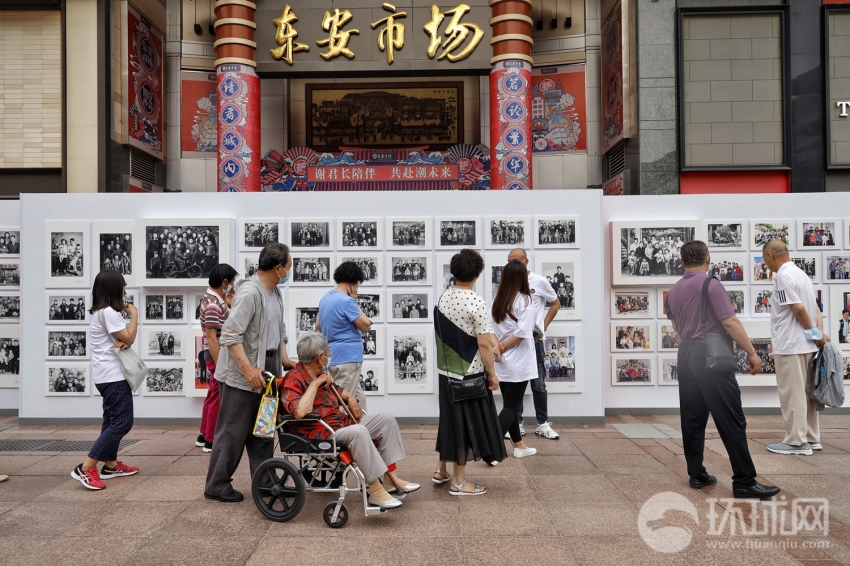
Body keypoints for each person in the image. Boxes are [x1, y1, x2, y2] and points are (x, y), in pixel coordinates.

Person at [665, 241, 779, 499]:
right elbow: (729, 321)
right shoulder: (710, 284)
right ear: (708, 259)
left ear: (682, 262)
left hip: (686, 355)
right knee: (731, 417)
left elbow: (677, 329)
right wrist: (752, 352)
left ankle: (697, 474)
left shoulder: (673, 291)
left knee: (692, 417)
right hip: (711, 356)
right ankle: (744, 481)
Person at [282, 333, 419, 509]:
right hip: (321, 432)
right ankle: (375, 491)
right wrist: (315, 384)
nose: (329, 354)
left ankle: (390, 478)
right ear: (319, 357)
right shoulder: (293, 379)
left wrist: (351, 398)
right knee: (360, 432)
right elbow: (300, 411)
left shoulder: (321, 372)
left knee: (387, 420)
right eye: (326, 351)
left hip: (341, 423)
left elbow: (340, 392)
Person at [204, 243, 295, 503]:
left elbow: (279, 329)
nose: (289, 270)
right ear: (278, 268)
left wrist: (285, 359)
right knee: (232, 432)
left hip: (268, 374)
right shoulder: (250, 293)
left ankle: (264, 482)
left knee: (263, 431)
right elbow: (230, 335)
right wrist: (248, 369)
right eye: (288, 266)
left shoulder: (274, 292)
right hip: (241, 376)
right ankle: (217, 484)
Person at [433, 249, 506, 496]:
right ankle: (459, 482)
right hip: (470, 375)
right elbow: (485, 344)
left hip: (447, 373)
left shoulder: (443, 298)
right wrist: (492, 374)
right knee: (465, 425)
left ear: (454, 272)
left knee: (449, 420)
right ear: (477, 274)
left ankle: (441, 469)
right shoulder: (476, 301)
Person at [71, 270, 140, 490]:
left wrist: (124, 341)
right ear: (114, 288)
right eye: (122, 285)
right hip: (113, 377)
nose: (124, 290)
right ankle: (86, 467)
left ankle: (110, 465)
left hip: (104, 376)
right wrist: (135, 314)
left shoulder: (99, 312)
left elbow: (120, 340)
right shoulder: (109, 312)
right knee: (122, 422)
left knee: (111, 421)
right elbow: (128, 336)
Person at [761, 240, 829, 456]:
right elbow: (815, 309)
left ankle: (796, 441)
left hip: (790, 344)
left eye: (765, 260)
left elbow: (798, 309)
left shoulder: (782, 275)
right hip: (806, 345)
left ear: (770, 255)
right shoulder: (801, 274)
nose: (766, 265)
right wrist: (817, 333)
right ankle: (811, 437)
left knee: (792, 393)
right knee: (807, 392)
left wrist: (815, 333)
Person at [507, 248, 561, 440]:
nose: (512, 264)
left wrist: (543, 326)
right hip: (515, 339)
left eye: (516, 261)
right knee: (516, 381)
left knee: (538, 384)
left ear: (526, 262)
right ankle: (517, 423)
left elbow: (555, 303)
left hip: (534, 340)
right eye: (509, 260)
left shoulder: (539, 281)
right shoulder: (508, 282)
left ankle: (542, 423)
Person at [490, 260, 538, 459]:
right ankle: (491, 447)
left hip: (502, 361)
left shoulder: (498, 300)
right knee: (511, 406)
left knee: (510, 404)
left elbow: (490, 329)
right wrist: (503, 346)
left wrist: (497, 347)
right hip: (518, 359)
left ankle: (519, 446)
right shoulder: (525, 300)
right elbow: (523, 333)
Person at [316, 261, 372, 409]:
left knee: (359, 398)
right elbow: (366, 325)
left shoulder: (325, 298)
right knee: (342, 403)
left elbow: (318, 326)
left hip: (333, 357)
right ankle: (343, 432)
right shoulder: (347, 301)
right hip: (348, 358)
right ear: (354, 283)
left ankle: (364, 429)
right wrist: (355, 301)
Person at [195, 264, 238, 453]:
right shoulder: (213, 304)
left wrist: (229, 302)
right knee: (217, 397)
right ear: (224, 282)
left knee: (212, 394)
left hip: (214, 354)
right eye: (232, 282)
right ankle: (211, 440)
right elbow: (212, 337)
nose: (233, 286)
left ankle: (204, 434)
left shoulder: (214, 300)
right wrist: (221, 363)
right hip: (215, 355)